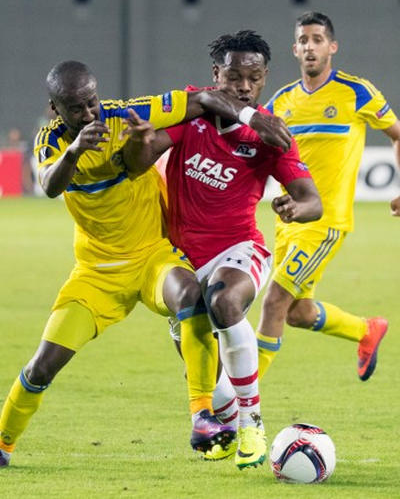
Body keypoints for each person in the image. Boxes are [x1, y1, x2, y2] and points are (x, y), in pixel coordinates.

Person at [0, 60, 293, 468]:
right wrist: (75, 150)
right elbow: (50, 185)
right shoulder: (50, 141)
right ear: (55, 109)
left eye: (92, 102)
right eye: (76, 109)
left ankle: (202, 415)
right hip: (96, 276)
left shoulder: (125, 113)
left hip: (154, 257)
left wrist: (249, 117)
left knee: (190, 295)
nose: (89, 114)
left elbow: (202, 99)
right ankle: (3, 443)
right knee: (42, 367)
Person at [122, 30, 322, 469]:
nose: (245, 86)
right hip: (180, 260)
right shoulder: (191, 109)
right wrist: (139, 141)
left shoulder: (269, 133)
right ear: (217, 74)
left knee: (225, 301)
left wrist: (295, 206)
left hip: (239, 249)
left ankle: (253, 422)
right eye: (234, 76)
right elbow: (139, 161)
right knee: (204, 370)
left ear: (266, 77)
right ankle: (228, 418)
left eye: (254, 78)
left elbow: (313, 200)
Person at [256, 11, 400, 385]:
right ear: (294, 49)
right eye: (303, 40)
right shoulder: (281, 101)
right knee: (297, 312)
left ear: (332, 47)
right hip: (288, 222)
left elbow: (397, 134)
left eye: (317, 39)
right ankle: (366, 330)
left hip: (326, 222)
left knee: (273, 302)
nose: (310, 46)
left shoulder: (357, 92)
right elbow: (252, 146)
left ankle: (241, 402)